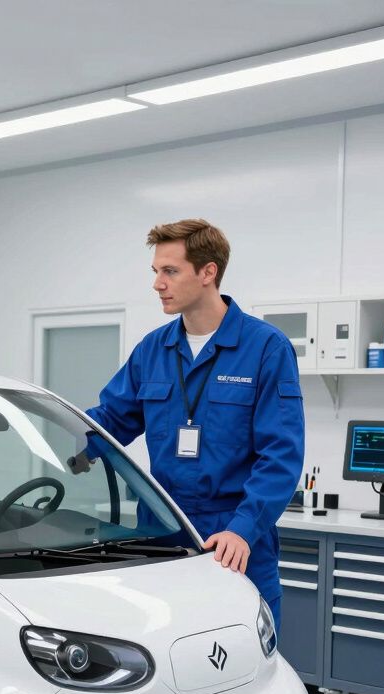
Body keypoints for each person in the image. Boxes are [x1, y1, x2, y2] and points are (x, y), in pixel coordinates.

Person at [78, 219, 304, 632]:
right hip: (161, 532)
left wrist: (243, 529)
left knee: (245, 658)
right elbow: (111, 420)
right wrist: (58, 442)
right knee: (162, 654)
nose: (157, 284)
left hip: (232, 537)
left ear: (207, 272)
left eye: (170, 271)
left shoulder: (266, 348)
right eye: (155, 272)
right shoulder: (153, 348)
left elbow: (281, 454)